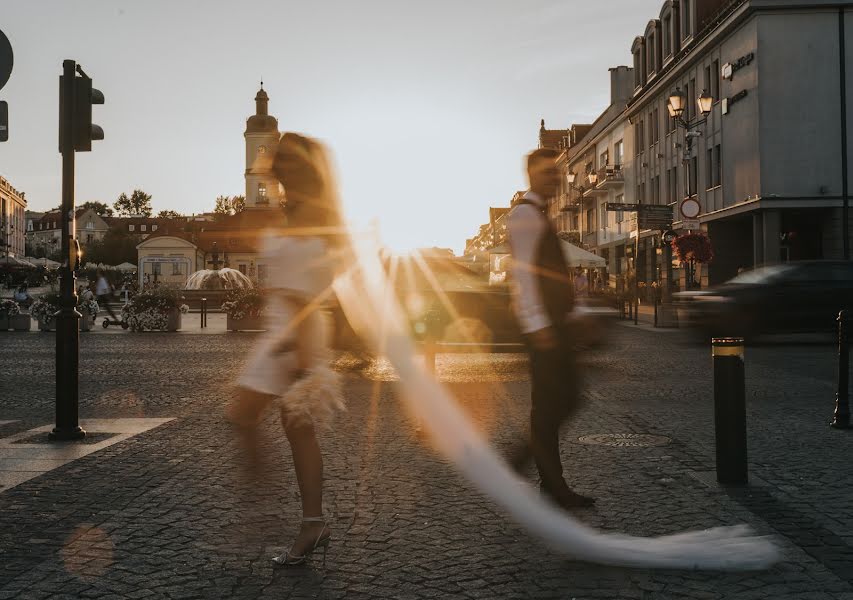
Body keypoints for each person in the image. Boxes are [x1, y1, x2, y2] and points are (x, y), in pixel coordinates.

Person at [226, 133, 346, 567]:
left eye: (286, 161)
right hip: (285, 329)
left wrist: (296, 351)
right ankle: (302, 519)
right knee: (286, 427)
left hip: (295, 332)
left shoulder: (312, 215)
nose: (276, 167)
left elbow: (311, 283)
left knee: (252, 417)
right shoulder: (293, 209)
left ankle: (274, 512)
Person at [506, 148, 595, 510]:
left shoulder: (538, 214)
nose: (553, 179)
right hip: (544, 329)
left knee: (556, 404)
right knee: (560, 402)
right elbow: (524, 276)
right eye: (546, 173)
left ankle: (549, 482)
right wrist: (538, 325)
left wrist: (573, 314)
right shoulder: (525, 216)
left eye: (556, 173)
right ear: (530, 175)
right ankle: (525, 463)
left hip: (554, 325)